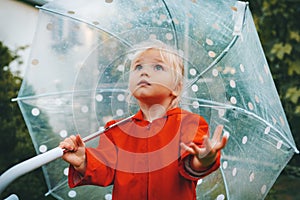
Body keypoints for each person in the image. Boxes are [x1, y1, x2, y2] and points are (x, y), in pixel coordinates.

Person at [59, 40, 228, 200]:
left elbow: (190, 165)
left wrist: (203, 159)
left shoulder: (189, 123)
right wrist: (84, 161)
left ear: (176, 88)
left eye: (158, 67)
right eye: (138, 66)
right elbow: (106, 170)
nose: (144, 72)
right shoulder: (116, 129)